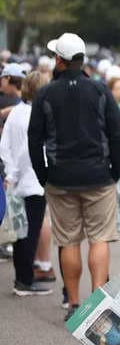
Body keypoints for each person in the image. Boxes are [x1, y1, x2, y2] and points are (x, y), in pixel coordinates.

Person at [28, 32, 120, 320]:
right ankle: (98, 304)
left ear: (59, 60)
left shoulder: (45, 93)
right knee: (99, 239)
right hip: (98, 175)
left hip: (60, 177)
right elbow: (116, 132)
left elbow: (35, 139)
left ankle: (73, 304)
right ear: (81, 60)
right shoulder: (99, 90)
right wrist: (115, 169)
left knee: (68, 241)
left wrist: (43, 174)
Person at [0, 71, 52, 296]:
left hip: (15, 182)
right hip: (35, 182)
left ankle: (21, 278)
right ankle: (25, 281)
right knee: (31, 232)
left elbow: (6, 146)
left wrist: (10, 174)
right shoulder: (41, 116)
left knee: (19, 233)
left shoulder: (16, 114)